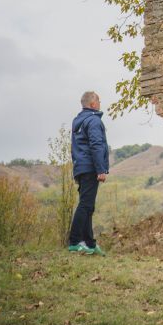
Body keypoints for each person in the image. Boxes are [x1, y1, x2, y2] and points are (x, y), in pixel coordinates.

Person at [67, 90, 109, 255]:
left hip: (80, 167)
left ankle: (90, 244)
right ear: (93, 104)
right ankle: (75, 241)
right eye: (98, 100)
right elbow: (96, 144)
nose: (100, 103)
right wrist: (101, 169)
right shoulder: (93, 121)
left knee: (88, 206)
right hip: (90, 167)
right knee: (85, 205)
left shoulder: (78, 121)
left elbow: (76, 148)